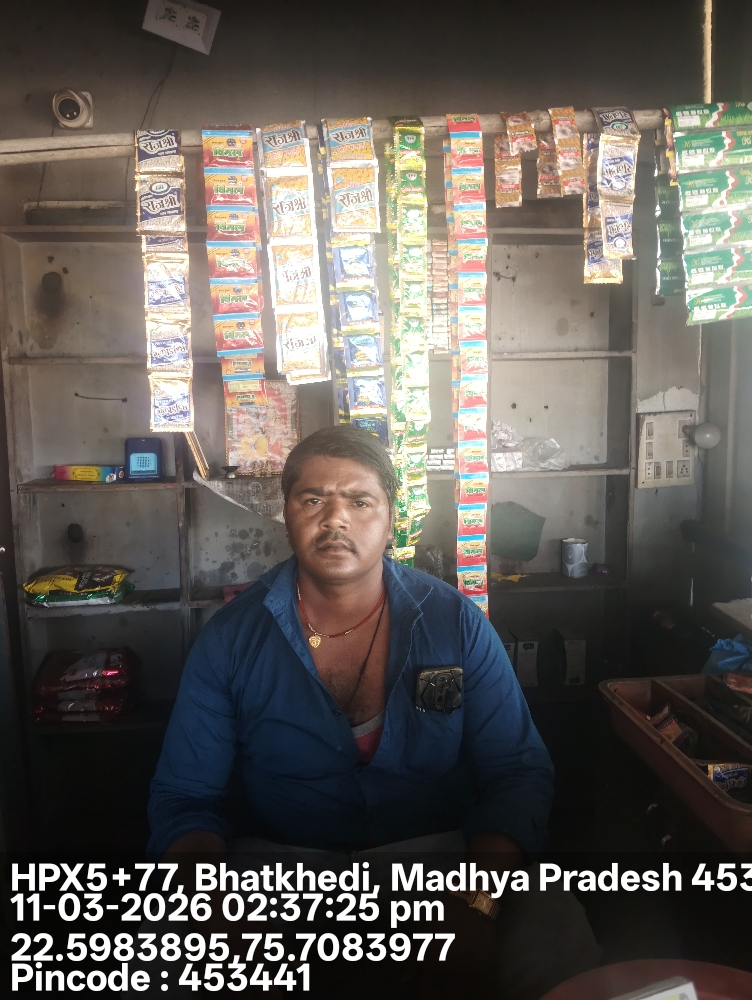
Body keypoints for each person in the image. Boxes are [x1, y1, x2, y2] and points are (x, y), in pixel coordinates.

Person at [148, 425, 600, 998]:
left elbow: (517, 772)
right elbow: (185, 798)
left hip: (441, 862)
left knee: (560, 941)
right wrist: (211, 909)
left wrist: (476, 904)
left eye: (360, 501)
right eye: (313, 499)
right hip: (279, 867)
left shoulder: (455, 623)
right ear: (286, 516)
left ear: (391, 521)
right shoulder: (232, 639)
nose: (335, 519)